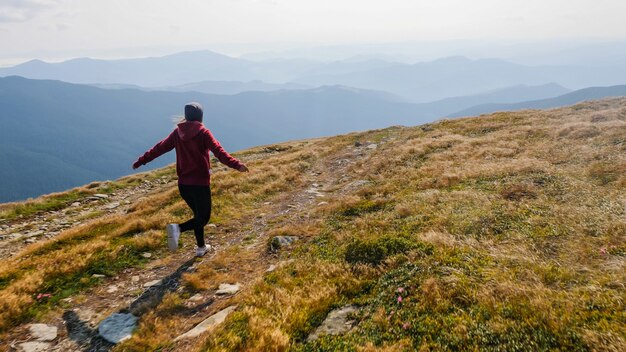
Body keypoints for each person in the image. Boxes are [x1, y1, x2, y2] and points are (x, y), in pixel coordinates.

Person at [132, 102, 248, 257]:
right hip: (199, 184)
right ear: (200, 116)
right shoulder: (203, 132)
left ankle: (201, 248)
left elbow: (159, 148)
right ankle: (177, 229)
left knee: (197, 216)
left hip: (184, 185)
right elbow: (219, 152)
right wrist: (237, 165)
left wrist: (141, 161)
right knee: (203, 218)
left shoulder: (177, 133)